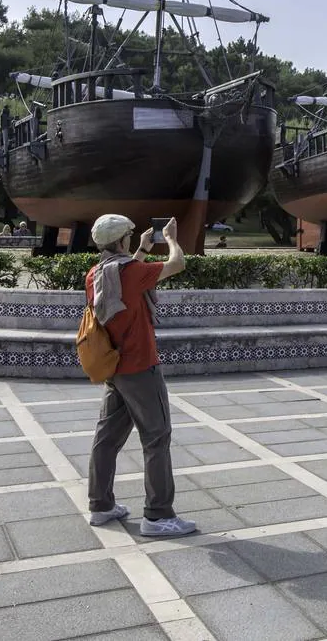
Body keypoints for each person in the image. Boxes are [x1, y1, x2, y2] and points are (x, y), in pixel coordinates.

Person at [85, 213, 196, 536]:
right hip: (141, 367)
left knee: (106, 440)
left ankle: (101, 506)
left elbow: (126, 281)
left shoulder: (95, 274)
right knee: (157, 437)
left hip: (114, 367)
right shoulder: (131, 273)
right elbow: (177, 264)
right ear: (122, 240)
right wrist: (172, 239)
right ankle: (158, 516)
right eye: (130, 237)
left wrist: (144, 251)